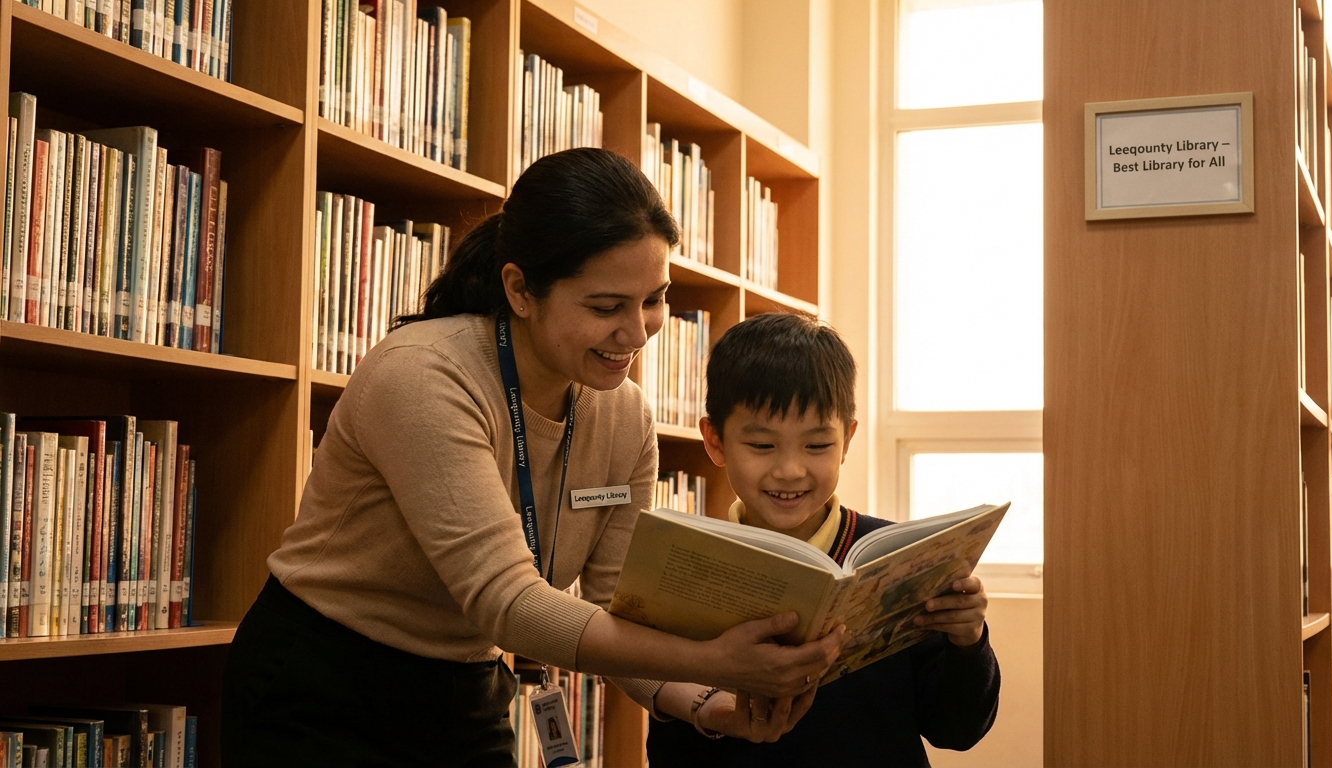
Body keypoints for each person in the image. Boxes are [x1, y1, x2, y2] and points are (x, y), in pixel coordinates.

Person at [221, 149, 843, 767]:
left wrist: (709, 704)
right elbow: (508, 602)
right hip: (323, 682)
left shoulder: (625, 418)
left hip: (468, 686)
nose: (638, 331)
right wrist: (715, 660)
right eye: (606, 307)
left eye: (654, 299)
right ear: (520, 289)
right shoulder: (423, 375)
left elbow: (619, 611)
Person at [646, 312, 1001, 767]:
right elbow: (671, 740)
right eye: (761, 446)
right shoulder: (683, 567)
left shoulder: (900, 562)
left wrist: (968, 641)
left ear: (847, 440)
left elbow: (957, 729)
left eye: (817, 446)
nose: (790, 470)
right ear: (715, 441)